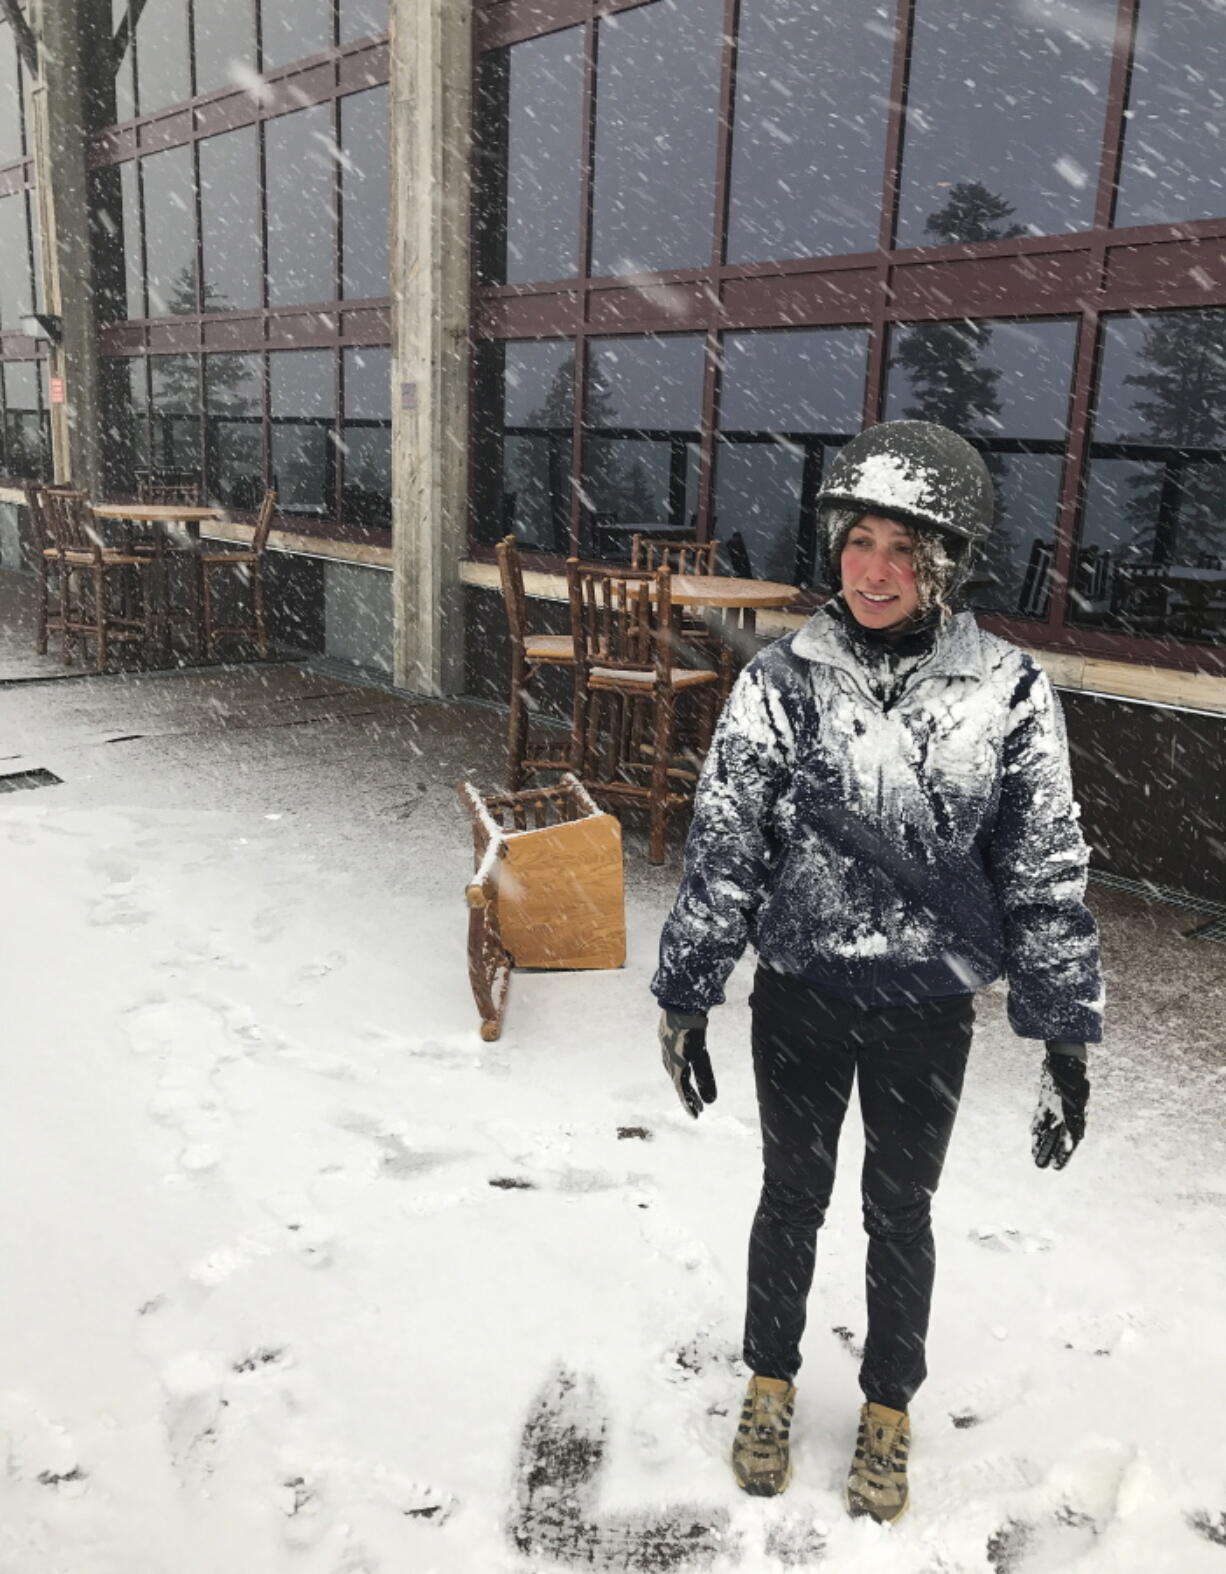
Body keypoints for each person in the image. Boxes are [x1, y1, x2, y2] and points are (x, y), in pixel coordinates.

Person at [652, 420, 1102, 1525]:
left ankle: (886, 1405)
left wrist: (1062, 1032)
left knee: (899, 1210)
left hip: (922, 1005)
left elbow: (1041, 865)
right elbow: (726, 845)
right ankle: (767, 1379)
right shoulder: (780, 681)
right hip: (800, 990)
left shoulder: (1004, 690)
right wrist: (686, 990)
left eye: (905, 548)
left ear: (945, 564)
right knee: (789, 1196)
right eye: (859, 539)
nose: (875, 569)